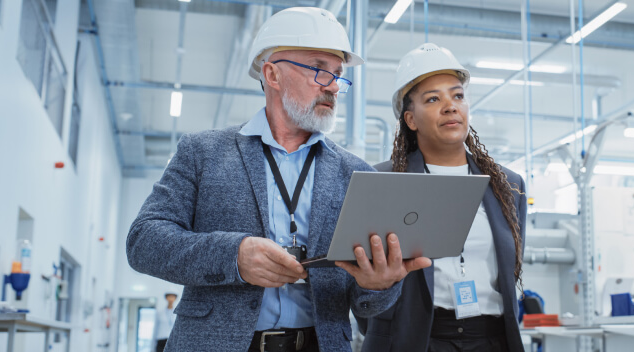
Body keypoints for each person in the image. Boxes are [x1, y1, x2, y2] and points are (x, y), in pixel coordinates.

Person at [126, 7, 430, 352]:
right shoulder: (203, 152)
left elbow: (366, 305)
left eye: (338, 75)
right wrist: (234, 256)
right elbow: (143, 242)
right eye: (319, 70)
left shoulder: (356, 174)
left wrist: (379, 285)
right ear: (272, 74)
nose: (332, 86)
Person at [357, 43, 527, 352]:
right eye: (433, 99)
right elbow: (363, 284)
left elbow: (510, 271)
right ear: (410, 119)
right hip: (412, 340)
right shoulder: (383, 181)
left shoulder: (508, 185)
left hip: (492, 338)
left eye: (457, 95)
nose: (450, 106)